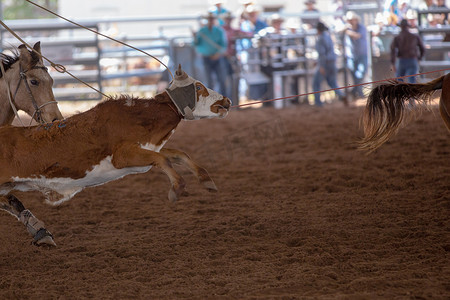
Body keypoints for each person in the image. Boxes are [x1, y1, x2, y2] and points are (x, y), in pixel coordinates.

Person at [313, 21, 347, 107]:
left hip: (325, 63)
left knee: (316, 83)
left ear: (318, 30)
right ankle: (341, 95)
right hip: (332, 62)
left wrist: (321, 66)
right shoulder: (328, 36)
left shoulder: (320, 38)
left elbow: (322, 54)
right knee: (332, 82)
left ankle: (318, 103)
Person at [193, 12, 228, 96]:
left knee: (222, 79)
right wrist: (194, 37)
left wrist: (218, 54)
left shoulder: (219, 31)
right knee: (208, 80)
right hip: (206, 57)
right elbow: (195, 44)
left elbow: (223, 45)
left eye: (212, 19)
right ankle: (211, 102)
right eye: (209, 19)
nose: (211, 20)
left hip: (217, 58)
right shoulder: (202, 31)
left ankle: (223, 99)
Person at [390, 19, 425, 84]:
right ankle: (413, 94)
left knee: (399, 81)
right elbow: (422, 48)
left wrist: (393, 63)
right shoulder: (414, 36)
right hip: (412, 59)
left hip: (402, 60)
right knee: (412, 80)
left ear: (401, 27)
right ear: (408, 26)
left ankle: (400, 94)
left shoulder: (397, 37)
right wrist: (419, 58)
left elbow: (393, 50)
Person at [344, 11, 368, 99]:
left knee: (361, 73)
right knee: (354, 74)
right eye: (349, 20)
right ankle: (358, 91)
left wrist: (347, 31)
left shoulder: (361, 28)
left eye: (352, 20)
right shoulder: (346, 28)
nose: (351, 22)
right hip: (351, 55)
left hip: (362, 53)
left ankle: (355, 90)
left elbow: (357, 35)